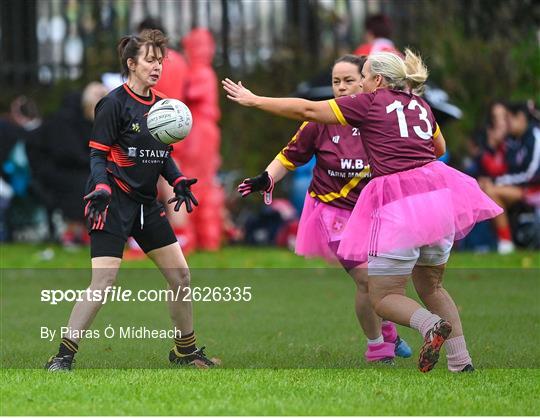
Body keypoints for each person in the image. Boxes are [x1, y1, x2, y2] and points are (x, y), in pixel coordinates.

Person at [222, 49, 502, 372]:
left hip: (401, 205)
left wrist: (255, 100)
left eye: (364, 76)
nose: (359, 83)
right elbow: (438, 148)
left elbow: (306, 109)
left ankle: (428, 326)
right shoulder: (421, 104)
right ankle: (461, 361)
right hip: (438, 200)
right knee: (433, 287)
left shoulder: (371, 102)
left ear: (378, 80)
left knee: (383, 296)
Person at [45, 29, 219, 371]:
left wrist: (178, 178)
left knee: (181, 276)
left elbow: (161, 154)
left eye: (160, 61)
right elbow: (97, 156)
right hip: (111, 203)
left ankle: (185, 351)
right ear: (131, 64)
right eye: (150, 61)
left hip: (145, 205)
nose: (157, 67)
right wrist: (101, 187)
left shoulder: (163, 106)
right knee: (104, 283)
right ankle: (63, 355)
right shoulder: (112, 104)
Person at [237, 54, 412, 364]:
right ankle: (378, 348)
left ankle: (386, 326)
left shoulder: (383, 120)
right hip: (334, 214)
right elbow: (290, 156)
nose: (341, 88)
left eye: (348, 81)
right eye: (335, 82)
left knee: (382, 282)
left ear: (368, 81)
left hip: (376, 215)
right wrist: (266, 177)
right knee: (367, 281)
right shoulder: (321, 121)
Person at [35, 82, 108, 245]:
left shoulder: (93, 122)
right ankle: (77, 229)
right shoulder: (66, 120)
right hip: (58, 169)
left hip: (78, 167)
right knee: (85, 183)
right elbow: (67, 154)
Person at [479, 102, 540, 254]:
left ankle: (506, 242)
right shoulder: (515, 141)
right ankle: (504, 241)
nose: (506, 124)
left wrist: (496, 182)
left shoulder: (535, 136)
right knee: (487, 191)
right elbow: (505, 168)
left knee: (492, 192)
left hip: (534, 189)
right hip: (522, 187)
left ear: (520, 118)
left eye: (508, 119)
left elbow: (530, 174)